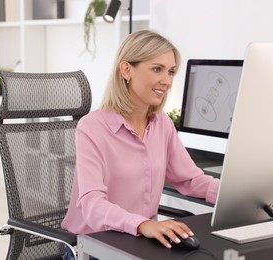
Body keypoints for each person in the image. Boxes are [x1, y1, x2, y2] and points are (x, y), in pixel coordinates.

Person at [61, 29, 219, 258]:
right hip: (95, 247)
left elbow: (190, 179)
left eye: (171, 71)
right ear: (126, 70)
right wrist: (143, 224)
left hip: (139, 244)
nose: (166, 81)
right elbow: (92, 204)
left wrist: (237, 195)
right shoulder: (92, 127)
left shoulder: (162, 124)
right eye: (157, 69)